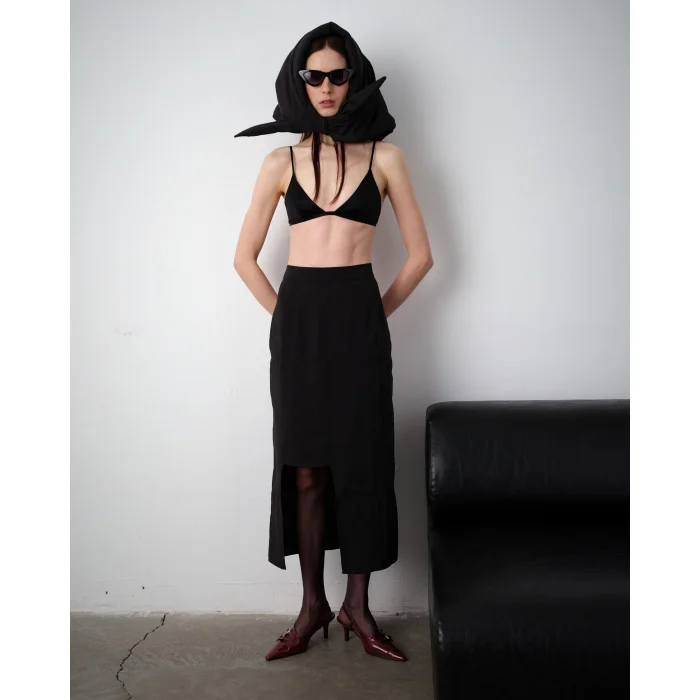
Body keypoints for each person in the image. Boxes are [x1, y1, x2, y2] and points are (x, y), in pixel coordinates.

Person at [233, 23, 433, 663]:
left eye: (337, 76)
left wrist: (372, 315)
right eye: (313, 76)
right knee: (306, 470)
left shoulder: (386, 158)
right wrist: (285, 316)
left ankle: (358, 606)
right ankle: (312, 605)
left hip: (357, 321)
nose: (325, 87)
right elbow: (243, 259)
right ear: (300, 81)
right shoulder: (279, 162)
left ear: (355, 81)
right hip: (301, 326)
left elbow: (421, 257)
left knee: (363, 464)